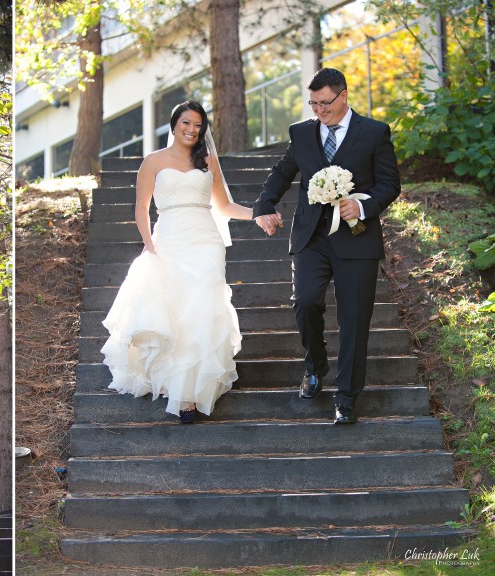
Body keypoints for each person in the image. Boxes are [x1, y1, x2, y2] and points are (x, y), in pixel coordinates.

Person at [252, 67, 401, 425]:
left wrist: (363, 206)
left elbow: (390, 183)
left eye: (325, 103)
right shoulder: (302, 134)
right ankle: (315, 367)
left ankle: (347, 395)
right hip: (311, 237)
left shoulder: (375, 133)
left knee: (354, 319)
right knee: (304, 301)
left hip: (357, 237)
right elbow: (283, 171)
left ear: (343, 95)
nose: (319, 110)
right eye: (313, 104)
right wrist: (264, 205)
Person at [101, 100, 254, 423]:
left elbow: (224, 206)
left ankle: (196, 390)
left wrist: (259, 214)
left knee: (202, 309)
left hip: (206, 241)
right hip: (169, 240)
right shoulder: (153, 161)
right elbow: (141, 209)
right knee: (178, 312)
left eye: (198, 125)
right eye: (186, 123)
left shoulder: (208, 161)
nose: (192, 130)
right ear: (174, 125)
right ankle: (182, 393)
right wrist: (149, 245)